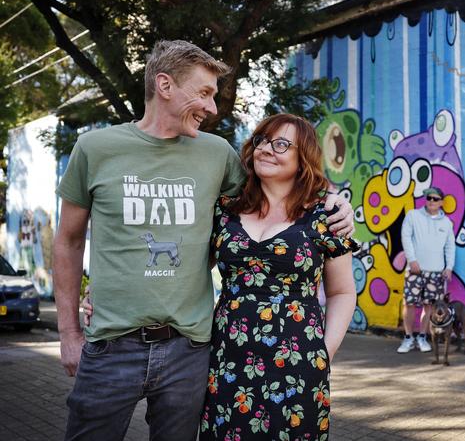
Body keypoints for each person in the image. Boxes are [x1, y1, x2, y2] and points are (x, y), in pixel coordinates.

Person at [53, 40, 353, 441]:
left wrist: (335, 200)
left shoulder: (216, 154)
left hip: (190, 350)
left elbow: (280, 188)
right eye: (205, 93)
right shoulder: (95, 149)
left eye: (214, 95)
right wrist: (69, 332)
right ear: (165, 85)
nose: (212, 108)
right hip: (113, 347)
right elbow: (68, 241)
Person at [199, 113, 358, 439]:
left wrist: (323, 354)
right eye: (261, 141)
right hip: (227, 362)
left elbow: (342, 292)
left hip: (298, 365)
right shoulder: (224, 211)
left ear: (303, 159)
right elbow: (192, 269)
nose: (267, 149)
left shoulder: (326, 215)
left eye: (281, 144)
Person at [398, 186, 455, 354]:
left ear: (442, 202)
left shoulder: (447, 223)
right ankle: (408, 338)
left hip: (436, 272)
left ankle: (422, 337)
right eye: (429, 198)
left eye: (435, 199)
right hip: (415, 270)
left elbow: (450, 247)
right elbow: (406, 237)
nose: (431, 201)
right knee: (409, 304)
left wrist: (449, 267)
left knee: (428, 306)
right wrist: (412, 260)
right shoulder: (413, 216)